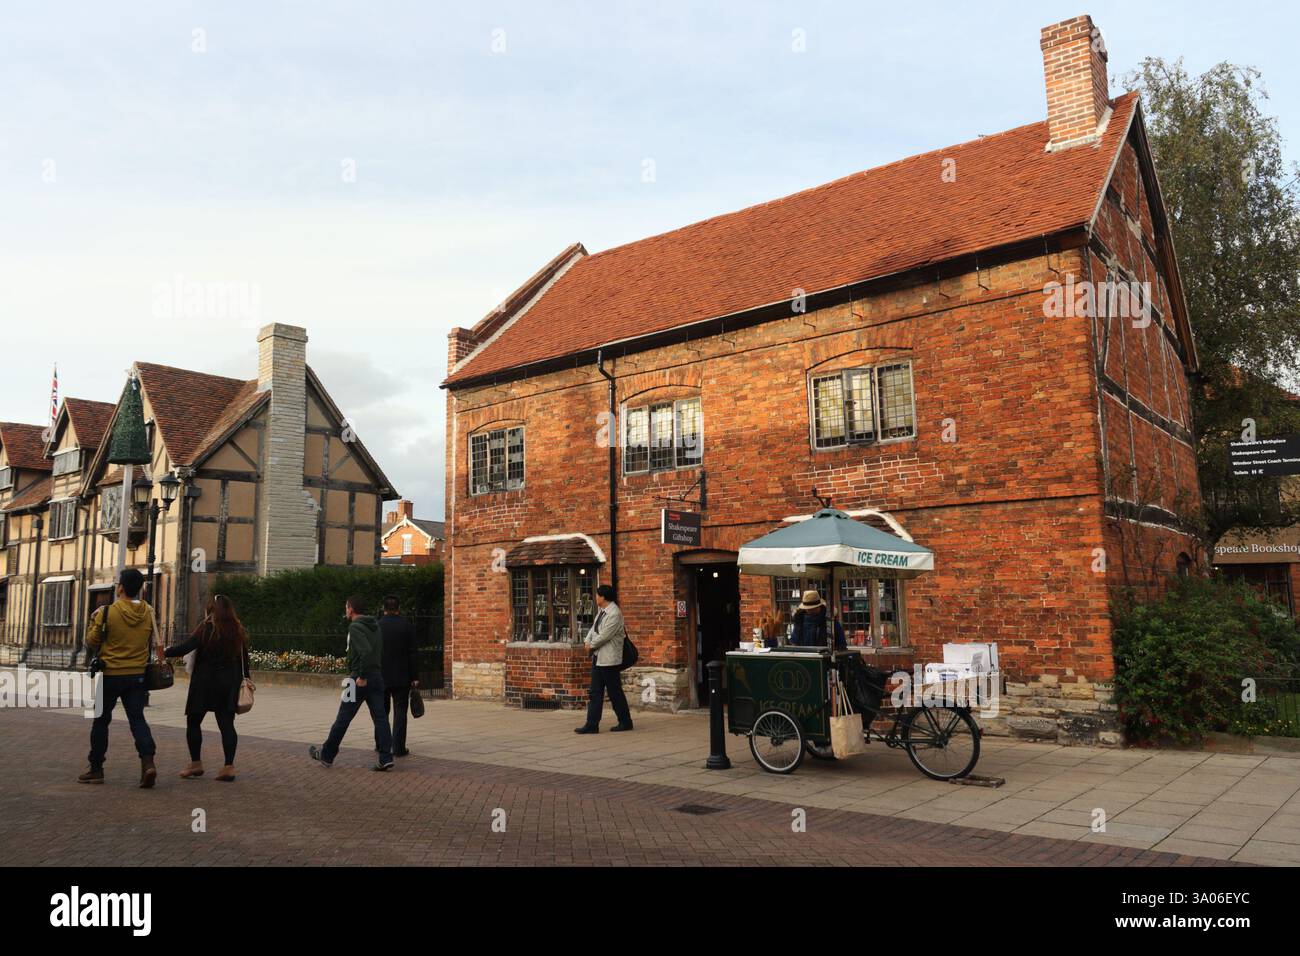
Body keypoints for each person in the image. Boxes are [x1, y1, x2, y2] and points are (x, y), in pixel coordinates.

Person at [79, 568, 159, 787]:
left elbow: (92, 641)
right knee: (137, 719)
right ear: (140, 589)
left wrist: (94, 620)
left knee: (101, 721)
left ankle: (96, 768)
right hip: (137, 674)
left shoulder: (107, 612)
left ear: (120, 588)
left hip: (111, 674)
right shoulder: (148, 612)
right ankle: (148, 762)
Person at [164, 595, 250, 782]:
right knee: (226, 724)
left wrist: (164, 652)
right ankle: (228, 766)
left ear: (211, 611)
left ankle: (196, 763)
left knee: (194, 722)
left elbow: (185, 647)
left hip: (204, 682)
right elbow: (245, 659)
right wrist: (246, 680)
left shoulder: (206, 628)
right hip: (228, 683)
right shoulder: (237, 630)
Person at [309, 595, 395, 771]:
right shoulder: (375, 625)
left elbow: (365, 652)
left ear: (351, 609)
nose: (346, 610)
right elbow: (378, 651)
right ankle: (386, 757)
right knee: (381, 719)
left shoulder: (355, 627)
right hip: (376, 677)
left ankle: (327, 754)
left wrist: (361, 676)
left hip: (357, 679)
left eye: (346, 607)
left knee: (343, 717)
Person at [575, 584, 633, 734]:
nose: (595, 598)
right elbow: (593, 629)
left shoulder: (614, 614)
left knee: (615, 692)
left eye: (597, 595)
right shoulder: (602, 612)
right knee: (595, 692)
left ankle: (625, 721)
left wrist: (591, 645)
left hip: (609, 659)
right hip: (598, 657)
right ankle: (592, 724)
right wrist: (587, 641)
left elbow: (605, 635)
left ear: (603, 597)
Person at [378, 595, 419, 758]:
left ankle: (381, 744)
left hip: (381, 675)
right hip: (402, 676)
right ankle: (398, 747)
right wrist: (415, 676)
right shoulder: (407, 626)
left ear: (384, 609)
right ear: (399, 609)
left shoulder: (377, 626)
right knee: (400, 712)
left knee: (381, 712)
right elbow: (413, 653)